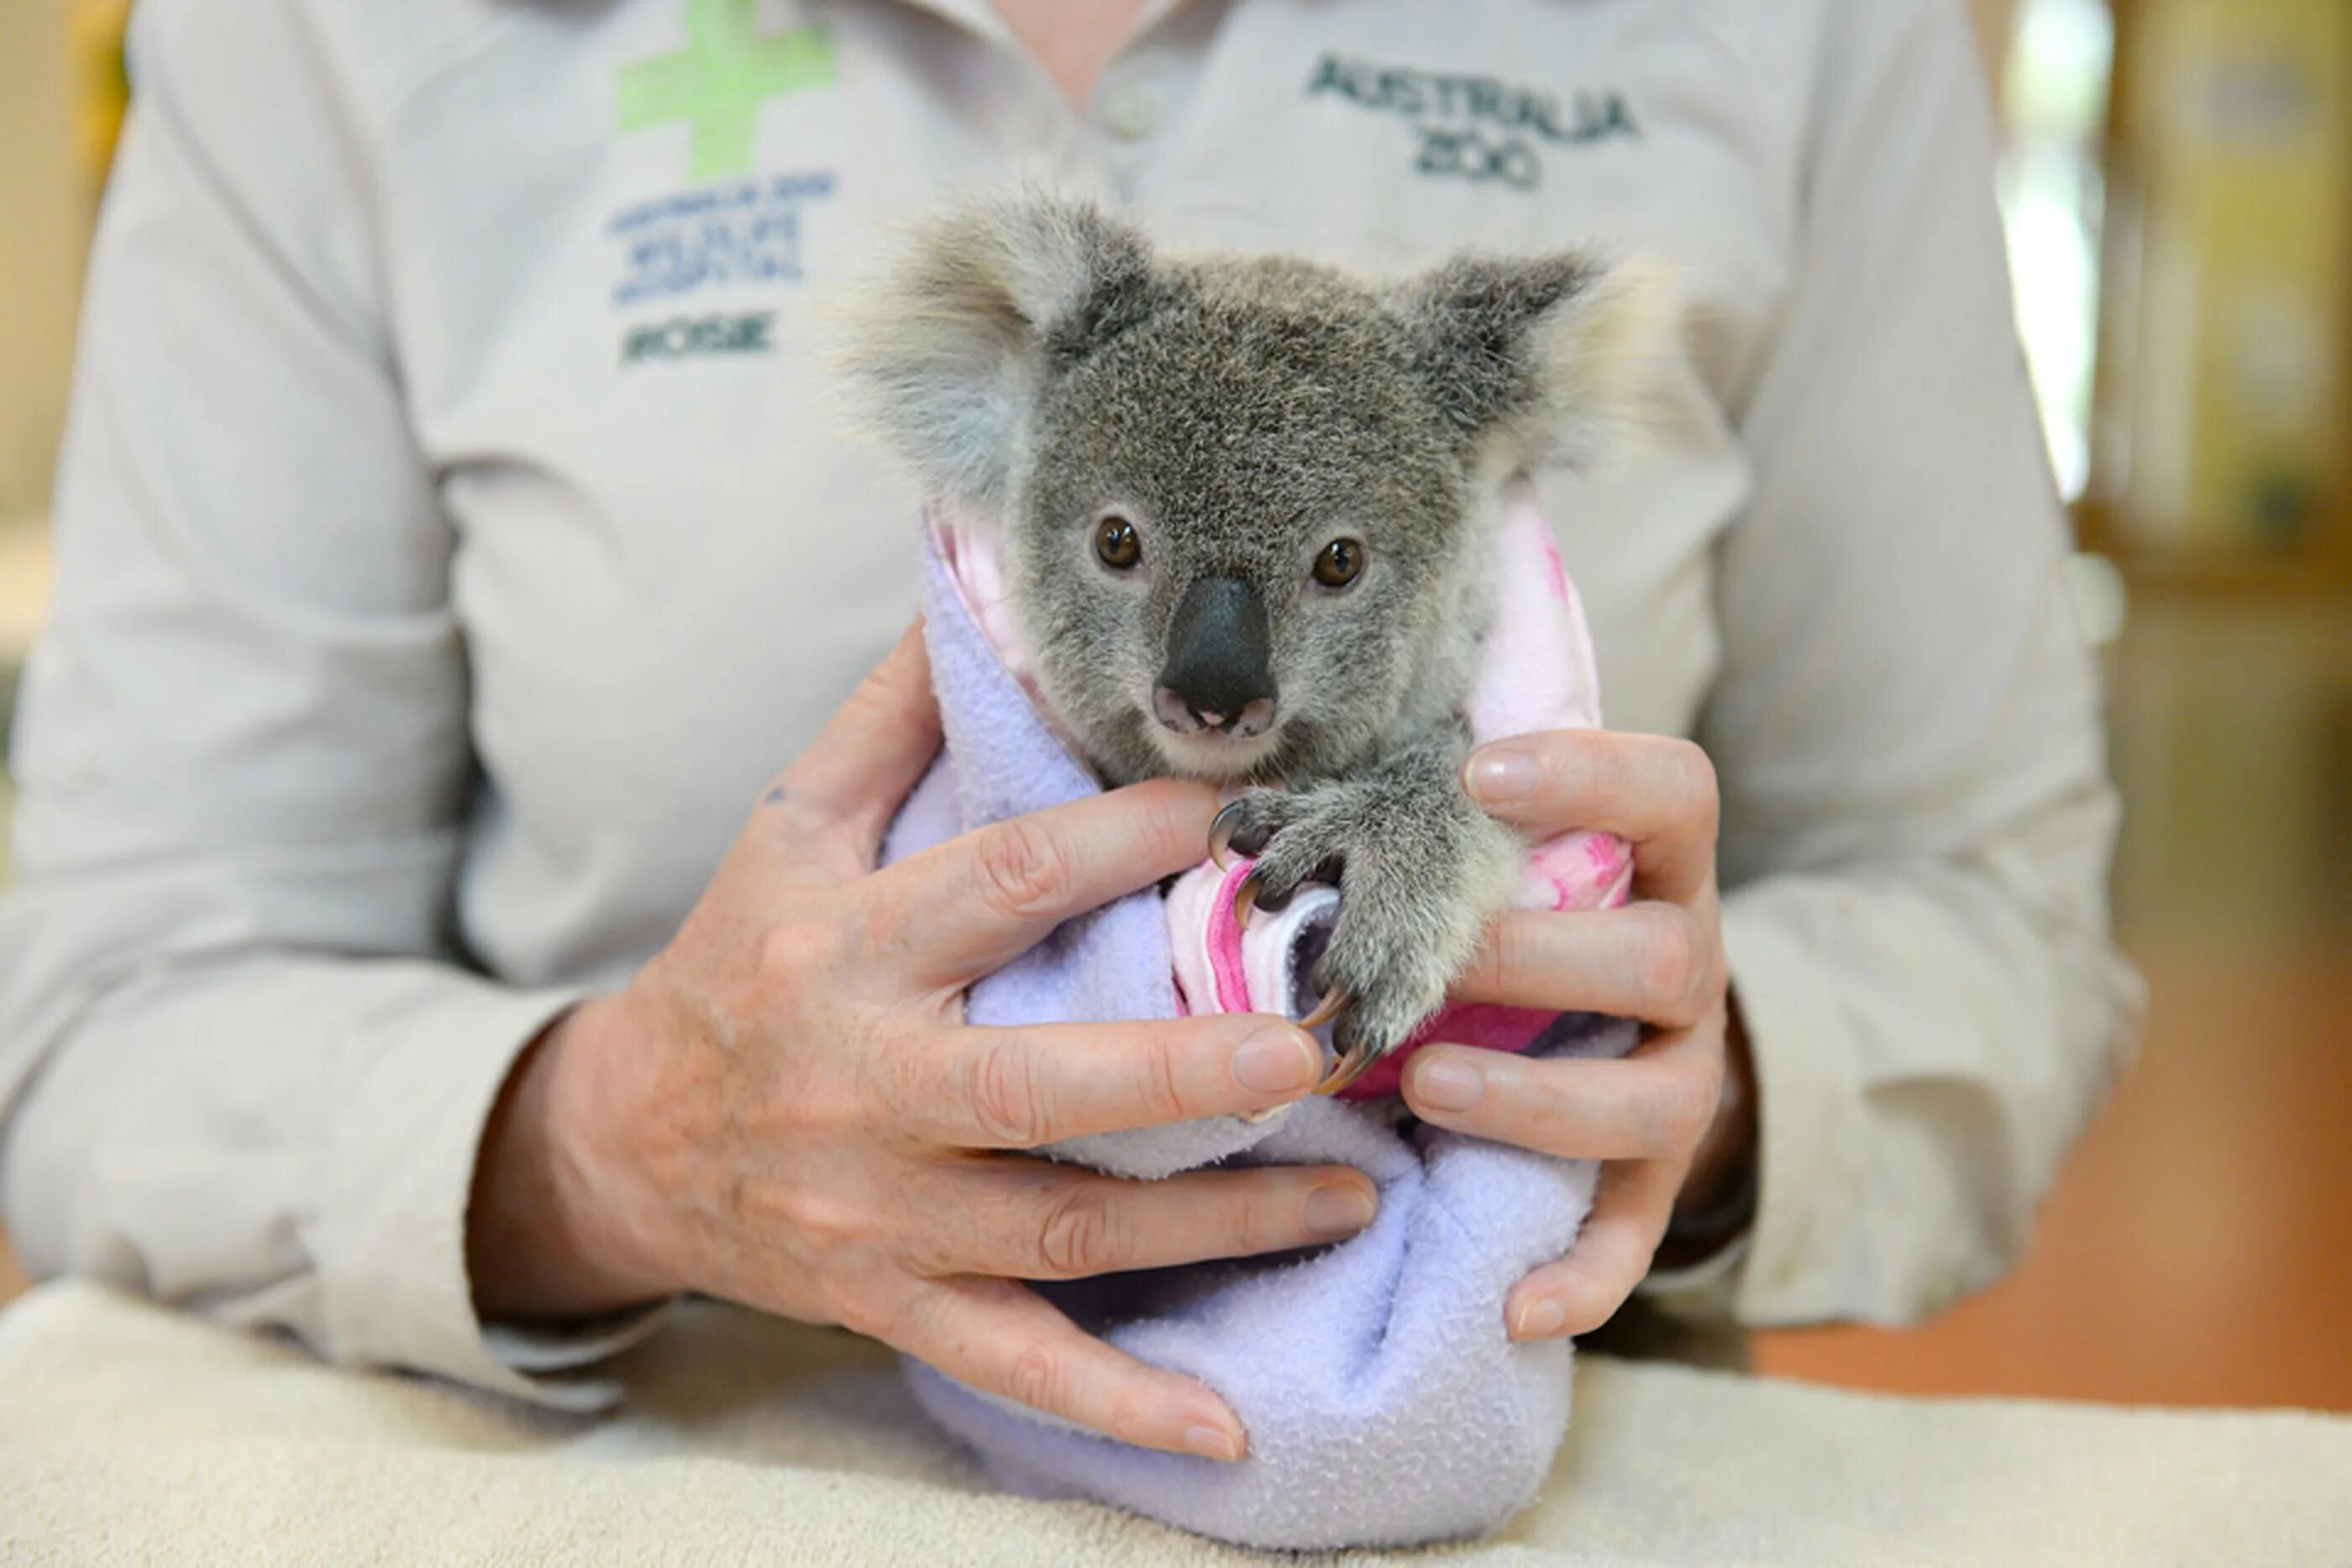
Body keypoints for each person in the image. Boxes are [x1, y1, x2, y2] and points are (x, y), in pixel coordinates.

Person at [0, 0, 2139, 1463]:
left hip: (1493, 1440)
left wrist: (1652, 1075)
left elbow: (1988, 919)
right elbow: (114, 1000)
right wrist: (618, 1144)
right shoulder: (328, 36)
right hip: (675, 1437)